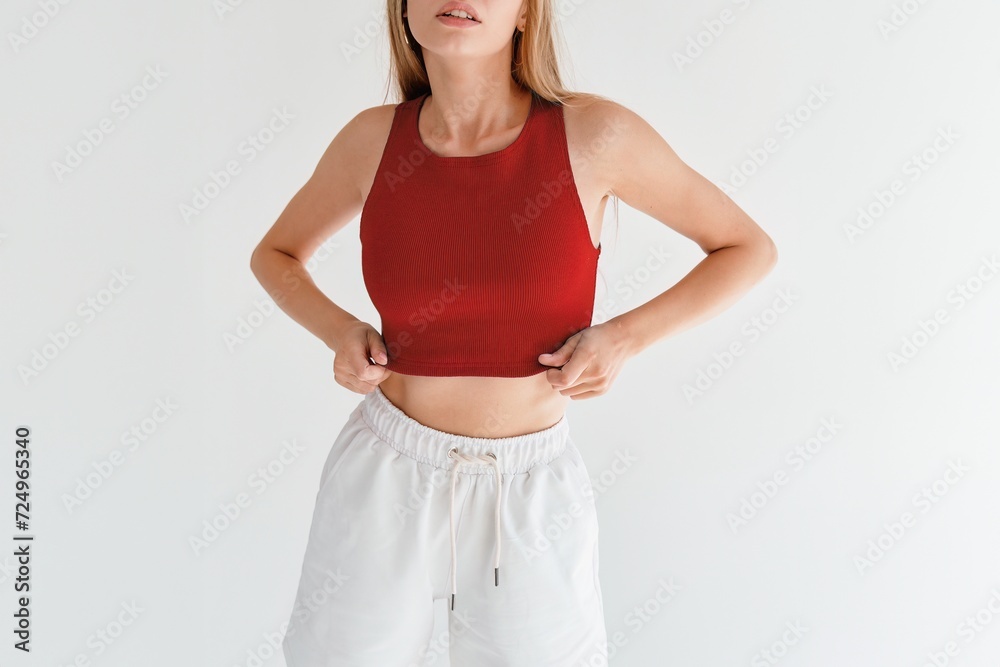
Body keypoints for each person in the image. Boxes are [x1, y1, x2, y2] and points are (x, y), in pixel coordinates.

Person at [250, 0, 777, 664]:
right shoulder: (371, 141)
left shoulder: (595, 135)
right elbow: (275, 254)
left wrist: (623, 337)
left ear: (526, 12)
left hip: (528, 494)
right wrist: (339, 330)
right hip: (385, 479)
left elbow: (745, 246)